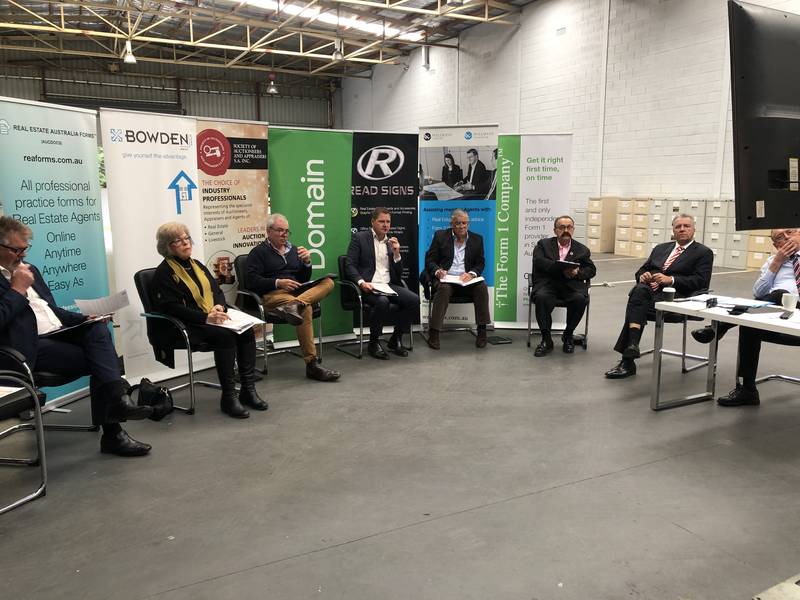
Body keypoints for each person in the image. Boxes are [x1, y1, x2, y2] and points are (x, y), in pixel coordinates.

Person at [0, 217, 153, 457]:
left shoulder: (29, 270)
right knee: (101, 360)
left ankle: (118, 402)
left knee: (98, 330)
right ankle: (114, 426)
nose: (23, 255)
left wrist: (84, 319)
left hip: (57, 334)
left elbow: (51, 310)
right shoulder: (19, 279)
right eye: (17, 250)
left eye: (26, 248)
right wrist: (17, 289)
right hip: (24, 349)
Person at [151, 222, 267, 419]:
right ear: (167, 247)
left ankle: (248, 390)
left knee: (247, 330)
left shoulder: (197, 265)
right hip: (186, 325)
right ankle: (229, 397)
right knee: (225, 336)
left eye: (186, 238)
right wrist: (206, 317)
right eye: (178, 241)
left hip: (209, 318)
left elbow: (217, 291)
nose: (185, 243)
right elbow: (172, 308)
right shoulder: (164, 273)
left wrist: (219, 306)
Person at [605, 214, 713, 379]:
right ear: (673, 231)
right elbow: (642, 270)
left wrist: (671, 280)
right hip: (650, 292)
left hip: (677, 296)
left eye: (686, 226)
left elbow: (701, 281)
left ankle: (628, 359)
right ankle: (632, 346)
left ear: (694, 230)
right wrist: (643, 276)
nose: (682, 229)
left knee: (636, 307)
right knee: (639, 290)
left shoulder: (703, 252)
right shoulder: (661, 248)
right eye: (678, 226)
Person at [710, 228, 800, 406]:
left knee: (779, 294)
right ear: (776, 245)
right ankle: (748, 390)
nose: (787, 238)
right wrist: (776, 263)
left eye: (790, 232)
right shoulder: (772, 261)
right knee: (749, 325)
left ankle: (722, 326)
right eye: (780, 237)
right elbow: (758, 293)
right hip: (778, 314)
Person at [246, 214, 340, 382]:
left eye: (287, 231)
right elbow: (251, 281)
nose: (284, 234)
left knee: (328, 282)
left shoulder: (294, 250)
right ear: (268, 231)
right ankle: (312, 364)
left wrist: (307, 262)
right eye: (280, 231)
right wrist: (277, 283)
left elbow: (303, 278)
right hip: (274, 295)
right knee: (306, 307)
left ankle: (296, 303)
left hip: (298, 292)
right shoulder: (258, 252)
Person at [345, 207, 420, 360]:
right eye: (381, 221)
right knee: (382, 301)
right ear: (373, 222)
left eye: (388, 222)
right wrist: (361, 283)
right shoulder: (359, 238)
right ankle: (374, 342)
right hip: (368, 286)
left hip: (388, 285)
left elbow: (398, 274)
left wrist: (396, 253)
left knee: (414, 300)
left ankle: (396, 338)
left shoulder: (391, 242)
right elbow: (350, 265)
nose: (385, 225)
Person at [424, 209, 491, 350]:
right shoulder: (440, 236)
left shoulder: (477, 239)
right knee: (444, 289)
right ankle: (434, 333)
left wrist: (472, 274)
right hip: (445, 279)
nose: (461, 226)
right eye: (458, 223)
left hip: (466, 281)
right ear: (451, 224)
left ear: (468, 223)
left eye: (464, 223)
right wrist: (438, 271)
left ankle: (482, 332)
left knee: (482, 287)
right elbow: (430, 260)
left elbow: (480, 262)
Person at [531, 215, 596, 356]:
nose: (566, 230)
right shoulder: (543, 244)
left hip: (571, 285)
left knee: (580, 299)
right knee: (542, 297)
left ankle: (568, 334)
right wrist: (561, 269)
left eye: (569, 227)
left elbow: (591, 270)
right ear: (555, 230)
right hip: (548, 284)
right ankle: (546, 339)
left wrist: (577, 272)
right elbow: (539, 261)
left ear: (573, 229)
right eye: (562, 227)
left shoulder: (582, 249)